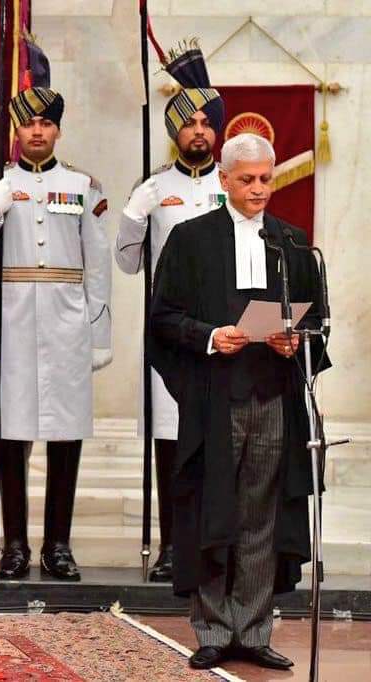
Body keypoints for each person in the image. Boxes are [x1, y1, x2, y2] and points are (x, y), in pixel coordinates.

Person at [149, 133, 327, 671]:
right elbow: (162, 320)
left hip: (273, 396)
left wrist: (296, 341)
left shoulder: (292, 244)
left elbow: (316, 322)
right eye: (246, 180)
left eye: (266, 179)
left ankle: (252, 629)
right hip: (214, 399)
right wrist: (210, 335)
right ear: (223, 181)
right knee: (212, 511)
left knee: (262, 516)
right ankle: (211, 629)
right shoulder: (190, 239)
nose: (258, 190)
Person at [0, 40, 112, 581]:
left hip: (68, 317)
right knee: (12, 435)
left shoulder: (82, 187)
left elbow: (98, 267)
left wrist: (99, 335)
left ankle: (59, 545)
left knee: (66, 433)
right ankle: (17, 544)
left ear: (57, 130)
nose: (38, 133)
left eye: (47, 124)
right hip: (18, 320)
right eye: (29, 125)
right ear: (16, 131)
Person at [115, 40, 227, 582]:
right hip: (171, 337)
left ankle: (216, 548)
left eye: (207, 122)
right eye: (189, 123)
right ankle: (170, 548)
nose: (199, 131)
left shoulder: (234, 186)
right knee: (171, 445)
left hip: (226, 335)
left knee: (220, 449)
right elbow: (128, 264)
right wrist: (136, 215)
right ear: (174, 131)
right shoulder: (155, 188)